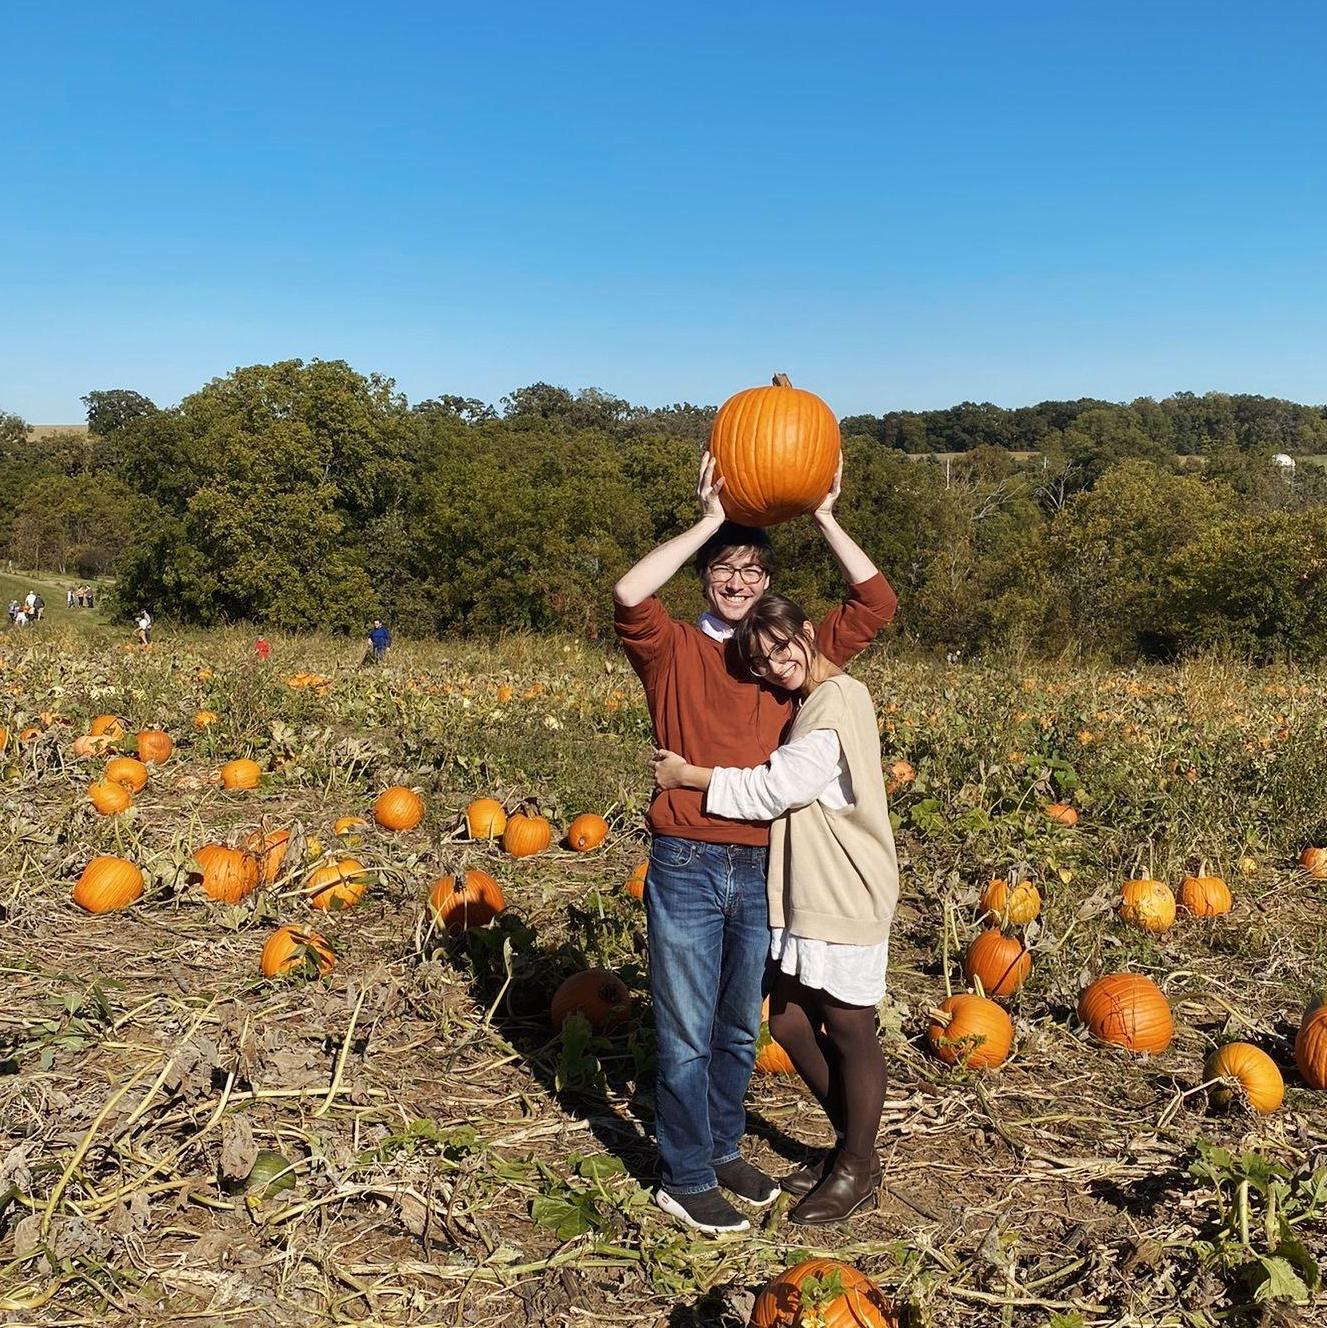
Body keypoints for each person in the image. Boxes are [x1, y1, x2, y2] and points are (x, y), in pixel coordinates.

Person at [612, 451, 896, 1234]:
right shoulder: (671, 648)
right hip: (689, 861)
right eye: (722, 569)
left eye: (750, 569)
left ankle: (725, 1147)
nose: (736, 581)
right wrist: (707, 519)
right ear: (705, 577)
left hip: (768, 866)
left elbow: (873, 600)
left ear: (770, 583)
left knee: (739, 1023)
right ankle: (685, 1172)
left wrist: (823, 514)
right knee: (684, 1024)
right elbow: (629, 593)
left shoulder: (785, 655)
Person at [652, 595, 898, 1225]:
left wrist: (689, 776)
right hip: (807, 892)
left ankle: (857, 1167)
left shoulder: (835, 702)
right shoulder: (816, 701)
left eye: (783, 647)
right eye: (761, 659)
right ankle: (855, 1149)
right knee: (788, 1022)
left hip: (843, 887)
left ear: (807, 634)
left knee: (849, 1026)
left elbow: (774, 790)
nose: (774, 664)